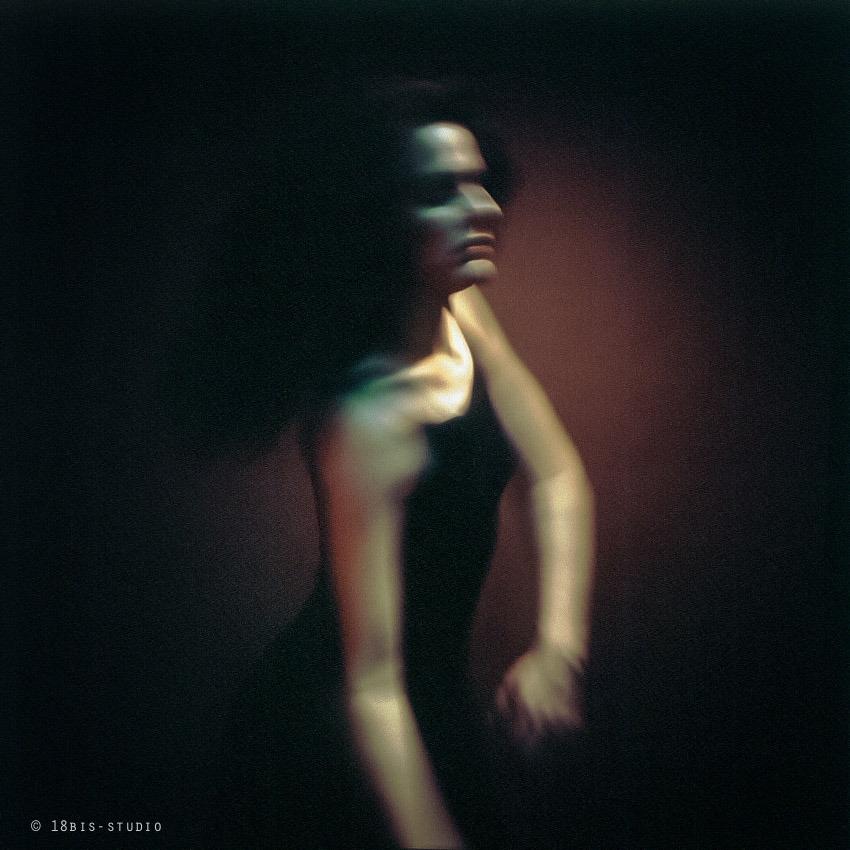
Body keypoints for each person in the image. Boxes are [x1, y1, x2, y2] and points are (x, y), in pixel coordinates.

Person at [220, 81, 594, 850]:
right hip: (334, 727)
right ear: (380, 222)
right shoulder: (367, 420)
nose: (482, 208)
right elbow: (370, 683)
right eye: (440, 192)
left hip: (429, 696)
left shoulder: (459, 313)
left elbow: (556, 478)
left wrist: (559, 652)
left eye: (479, 182)